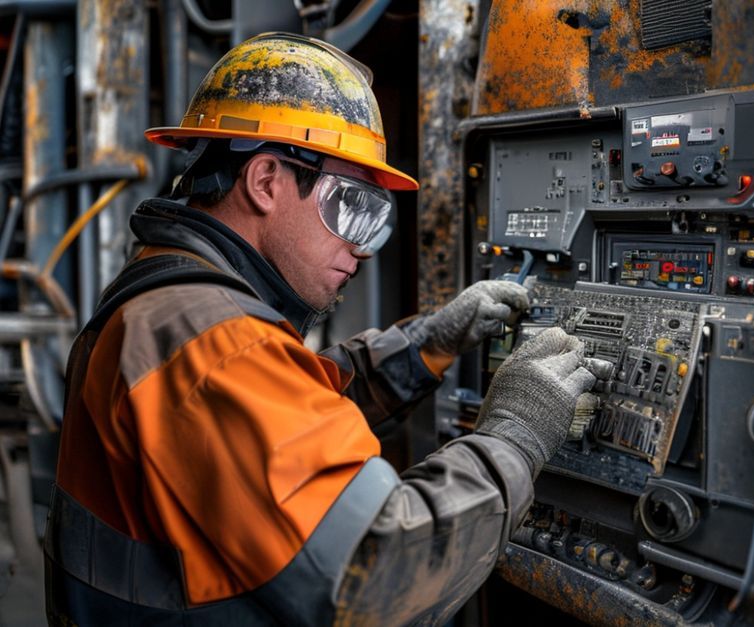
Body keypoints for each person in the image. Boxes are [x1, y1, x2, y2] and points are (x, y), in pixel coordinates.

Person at [43, 32, 609, 625]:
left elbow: (282, 410)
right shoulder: (211, 340)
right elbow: (382, 572)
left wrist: (427, 344)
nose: (360, 249)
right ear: (265, 181)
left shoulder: (170, 297)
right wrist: (516, 435)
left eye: (373, 218)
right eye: (351, 206)